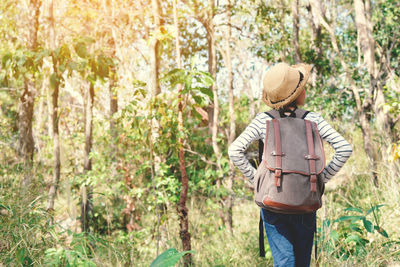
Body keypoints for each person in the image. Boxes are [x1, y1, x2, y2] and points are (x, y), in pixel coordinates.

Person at [228, 62, 352, 267]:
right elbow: (344, 148)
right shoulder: (314, 120)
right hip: (306, 200)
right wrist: (321, 178)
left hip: (273, 202)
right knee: (302, 262)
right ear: (297, 95)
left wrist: (258, 180)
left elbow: (234, 151)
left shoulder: (262, 121)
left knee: (284, 261)